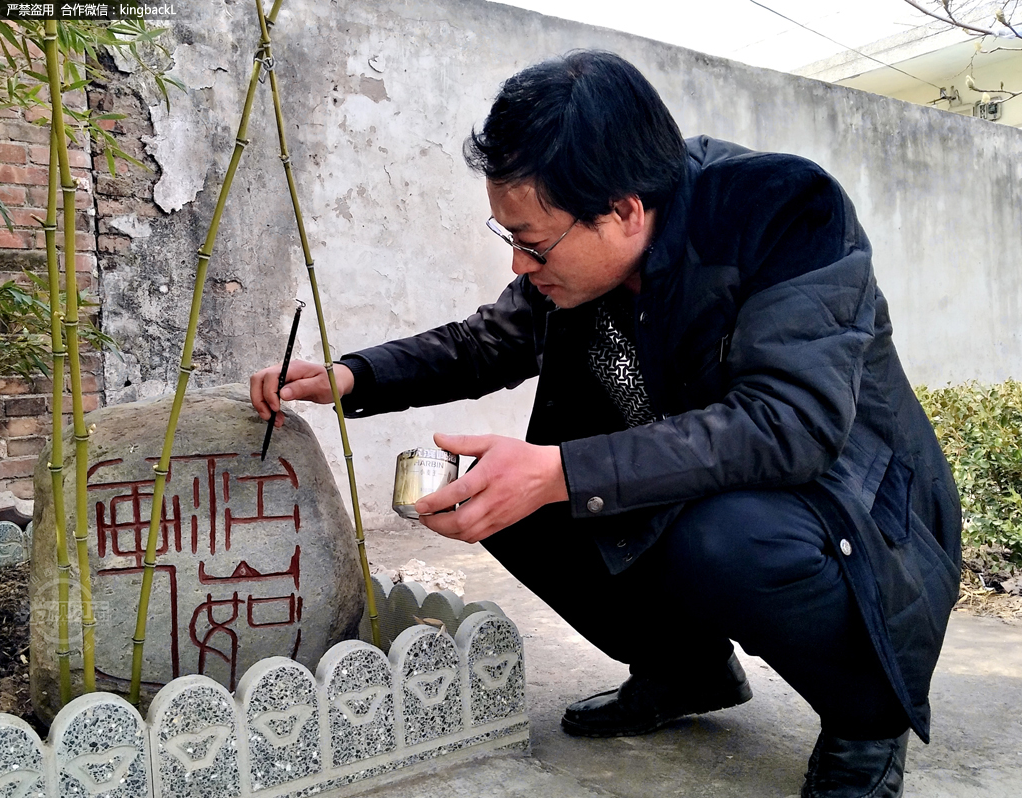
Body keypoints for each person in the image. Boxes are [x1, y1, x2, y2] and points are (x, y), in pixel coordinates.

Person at [249, 50, 961, 798]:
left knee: (715, 535)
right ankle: (686, 673)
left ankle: (866, 719)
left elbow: (791, 423)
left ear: (623, 211)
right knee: (501, 500)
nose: (521, 265)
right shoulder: (580, 260)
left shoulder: (785, 212)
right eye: (511, 240)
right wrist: (350, 375)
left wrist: (562, 471)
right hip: (708, 484)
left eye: (533, 241)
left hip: (859, 513)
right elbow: (489, 340)